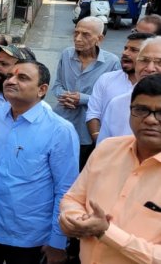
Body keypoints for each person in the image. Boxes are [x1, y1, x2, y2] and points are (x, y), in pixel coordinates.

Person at [59, 74, 161, 264]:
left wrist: (106, 232)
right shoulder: (107, 149)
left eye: (160, 112)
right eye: (141, 110)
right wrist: (77, 220)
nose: (150, 120)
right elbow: (72, 198)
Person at [0, 60, 79, 264]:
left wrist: (58, 241)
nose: (11, 80)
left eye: (22, 77)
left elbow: (67, 190)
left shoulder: (59, 130)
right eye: (9, 75)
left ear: (42, 89)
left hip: (30, 238)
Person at [53, 16, 120, 169]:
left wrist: (81, 99)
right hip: (61, 121)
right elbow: (57, 85)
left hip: (88, 131)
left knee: (81, 169)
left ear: (99, 38)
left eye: (85, 35)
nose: (78, 38)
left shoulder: (111, 62)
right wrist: (65, 96)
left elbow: (113, 100)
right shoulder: (66, 54)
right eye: (76, 33)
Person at [85, 32, 152, 153]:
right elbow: (93, 113)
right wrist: (100, 142)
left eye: (133, 50)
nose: (125, 53)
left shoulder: (154, 90)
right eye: (126, 48)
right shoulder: (106, 79)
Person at [97, 37, 161, 143]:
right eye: (144, 60)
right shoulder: (117, 104)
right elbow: (103, 152)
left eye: (160, 62)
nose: (150, 68)